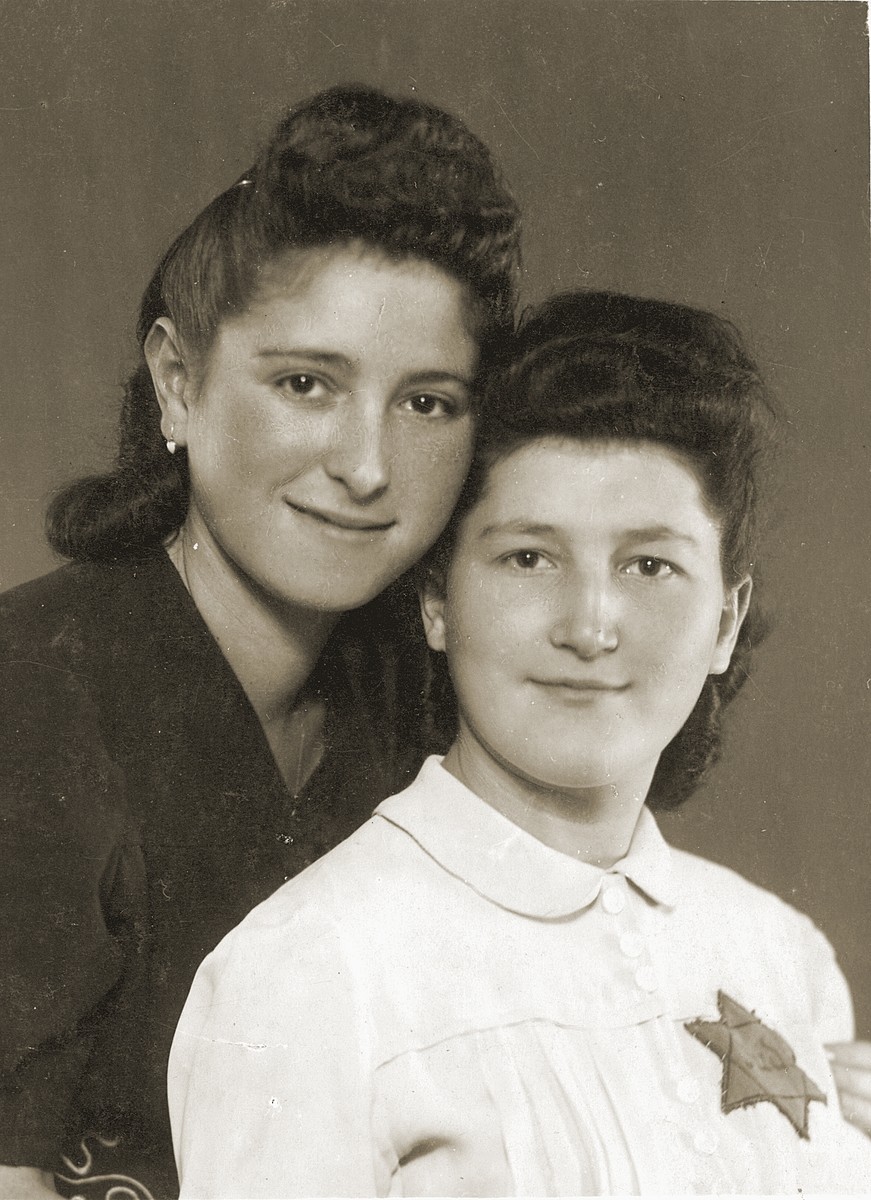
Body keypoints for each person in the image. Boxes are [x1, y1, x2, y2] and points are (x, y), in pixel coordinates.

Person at [169, 289, 871, 1196]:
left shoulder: (780, 955)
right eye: (528, 558)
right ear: (435, 602)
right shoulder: (309, 970)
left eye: (649, 565)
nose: (589, 626)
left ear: (724, 622)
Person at [0, 84, 520, 1200]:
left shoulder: (423, 712)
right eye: (305, 384)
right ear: (176, 384)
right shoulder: (28, 696)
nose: (367, 464)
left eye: (426, 403)